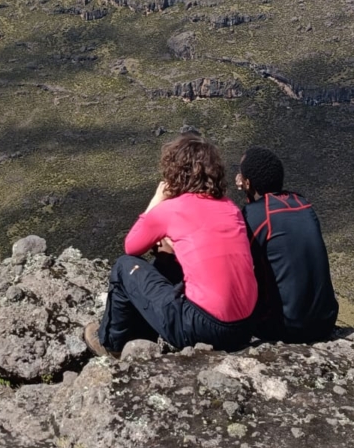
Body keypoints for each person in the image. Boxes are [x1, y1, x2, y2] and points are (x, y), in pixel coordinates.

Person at [84, 134, 257, 357]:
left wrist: (158, 198)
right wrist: (174, 252)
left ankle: (110, 345)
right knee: (168, 262)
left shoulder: (172, 209)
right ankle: (140, 341)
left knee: (124, 267)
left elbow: (131, 247)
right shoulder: (230, 208)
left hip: (201, 327)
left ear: (175, 172)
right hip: (244, 328)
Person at [237, 147, 338, 343]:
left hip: (287, 328)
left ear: (247, 182)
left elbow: (240, 263)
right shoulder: (303, 203)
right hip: (326, 321)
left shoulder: (256, 215)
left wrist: (247, 196)